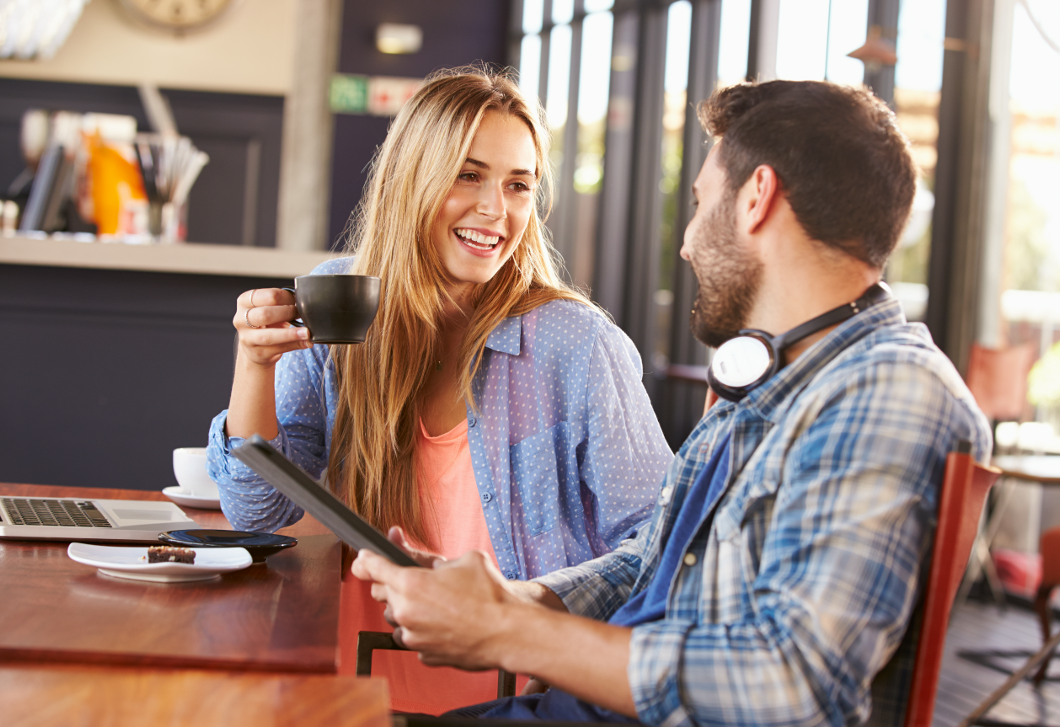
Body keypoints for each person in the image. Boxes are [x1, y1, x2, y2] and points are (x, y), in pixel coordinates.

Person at [351, 80, 993, 726]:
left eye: (699, 201)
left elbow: (793, 681)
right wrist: (502, 600)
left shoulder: (888, 394)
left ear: (756, 198)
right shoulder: (770, 379)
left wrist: (501, 630)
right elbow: (647, 565)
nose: (686, 240)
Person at [205, 67, 673, 713]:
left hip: (517, 693)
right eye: (468, 174)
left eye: (518, 185)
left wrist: (529, 605)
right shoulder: (339, 295)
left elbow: (662, 541)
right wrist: (254, 362)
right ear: (410, 179)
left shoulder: (575, 342)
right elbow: (256, 510)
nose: (496, 209)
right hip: (358, 674)